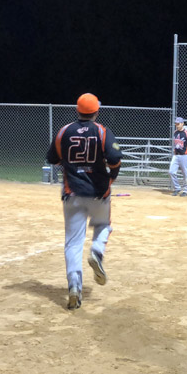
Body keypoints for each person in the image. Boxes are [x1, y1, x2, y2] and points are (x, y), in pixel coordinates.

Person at [45, 93, 122, 310]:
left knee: (73, 242)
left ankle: (74, 286)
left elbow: (52, 158)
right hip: (98, 192)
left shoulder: (64, 131)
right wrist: (111, 177)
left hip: (72, 193)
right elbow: (115, 158)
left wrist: (70, 164)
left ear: (77, 111)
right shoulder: (102, 131)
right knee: (103, 226)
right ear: (96, 111)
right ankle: (97, 251)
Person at [169, 116, 187, 196]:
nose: (177, 125)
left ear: (182, 124)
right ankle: (177, 188)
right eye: (176, 124)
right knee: (171, 172)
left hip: (184, 156)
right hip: (176, 155)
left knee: (185, 173)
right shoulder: (175, 132)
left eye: (178, 124)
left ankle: (185, 190)